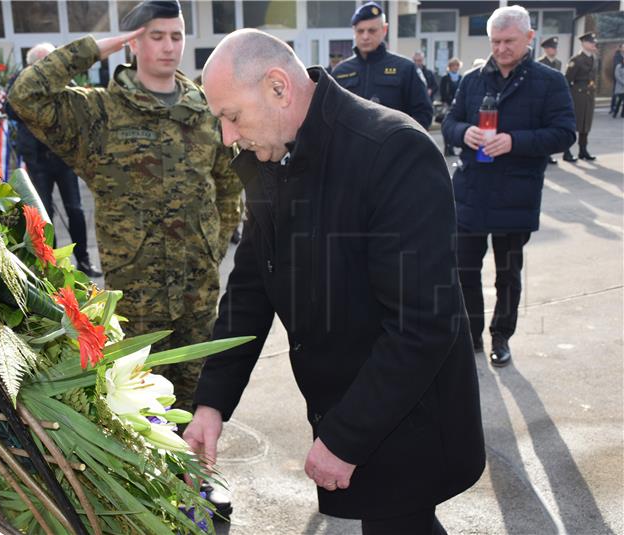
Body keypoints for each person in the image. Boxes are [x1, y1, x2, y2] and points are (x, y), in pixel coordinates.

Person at [184, 28, 485, 533]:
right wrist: (212, 400)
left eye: (231, 117)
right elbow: (252, 287)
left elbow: (424, 323)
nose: (227, 138)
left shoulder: (391, 151)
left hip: (405, 417)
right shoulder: (273, 158)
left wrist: (346, 438)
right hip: (350, 404)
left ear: (278, 87)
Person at [8, 1, 242, 415]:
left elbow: (228, 185)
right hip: (137, 296)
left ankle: (195, 478)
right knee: (140, 406)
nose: (169, 47)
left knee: (198, 397)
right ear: (133, 42)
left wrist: (214, 245)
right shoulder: (99, 113)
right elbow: (26, 96)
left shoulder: (205, 109)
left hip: (198, 290)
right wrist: (94, 49)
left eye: (176, 36)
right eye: (155, 36)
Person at [442, 5, 575, 367]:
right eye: (495, 41)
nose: (500, 48)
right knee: (464, 270)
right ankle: (469, 337)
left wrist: (514, 141)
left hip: (516, 194)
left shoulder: (549, 82)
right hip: (471, 193)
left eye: (509, 41)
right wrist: (461, 132)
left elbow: (564, 133)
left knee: (508, 275)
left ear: (529, 38)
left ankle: (501, 335)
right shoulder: (472, 80)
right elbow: (449, 121)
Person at [5, 43, 102, 278]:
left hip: (64, 158)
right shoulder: (20, 82)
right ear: (33, 64)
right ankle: (54, 265)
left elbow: (79, 110)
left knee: (75, 210)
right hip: (37, 159)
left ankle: (84, 261)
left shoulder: (65, 81)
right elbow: (10, 109)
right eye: (46, 62)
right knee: (44, 213)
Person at [332, 2, 432, 128]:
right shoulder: (340, 72)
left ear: (384, 30)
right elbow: (330, 116)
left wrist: (402, 140)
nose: (365, 36)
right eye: (360, 31)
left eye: (372, 30)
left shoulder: (406, 69)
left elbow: (423, 115)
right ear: (354, 32)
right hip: (351, 147)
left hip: (394, 146)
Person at [564, 32, 598, 162]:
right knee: (574, 124)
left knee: (586, 124)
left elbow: (593, 77)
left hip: (589, 95)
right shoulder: (576, 60)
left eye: (594, 42)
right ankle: (566, 151)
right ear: (583, 43)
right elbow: (567, 80)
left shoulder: (594, 58)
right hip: (577, 95)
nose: (593, 44)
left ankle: (583, 150)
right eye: (590, 42)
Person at [537, 36, 562, 164]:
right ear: (546, 49)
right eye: (551, 48)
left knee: (551, 126)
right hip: (541, 98)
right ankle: (543, 154)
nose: (554, 50)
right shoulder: (540, 62)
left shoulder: (558, 63)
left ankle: (549, 154)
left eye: (555, 48)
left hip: (553, 99)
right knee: (542, 126)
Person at [439, 57, 462, 156]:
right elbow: (442, 91)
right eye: (453, 65)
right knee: (448, 125)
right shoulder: (445, 78)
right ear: (449, 67)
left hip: (458, 104)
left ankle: (452, 147)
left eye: (457, 65)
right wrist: (446, 101)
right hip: (448, 104)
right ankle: (447, 148)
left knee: (456, 126)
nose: (455, 67)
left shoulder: (461, 78)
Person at [609, 43, 623, 115]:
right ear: (620, 48)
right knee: (616, 94)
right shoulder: (617, 56)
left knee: (621, 97)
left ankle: (619, 111)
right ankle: (613, 108)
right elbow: (617, 66)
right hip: (618, 79)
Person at [613, 53, 624, 118]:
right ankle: (615, 113)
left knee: (620, 101)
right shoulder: (619, 66)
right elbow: (617, 76)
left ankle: (622, 114)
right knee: (619, 101)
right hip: (620, 87)